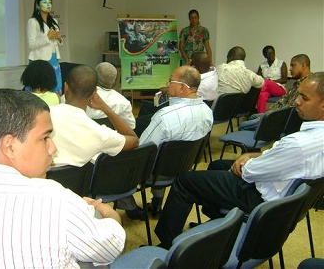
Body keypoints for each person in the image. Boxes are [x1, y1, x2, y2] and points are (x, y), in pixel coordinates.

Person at [0, 89, 126, 268]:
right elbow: (109, 249)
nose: (53, 148)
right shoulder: (54, 200)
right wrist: (108, 214)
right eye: (45, 138)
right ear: (10, 146)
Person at [154, 72, 324, 250]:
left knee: (184, 181)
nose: (296, 101)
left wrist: (246, 161)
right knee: (217, 166)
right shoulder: (313, 138)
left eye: (304, 97)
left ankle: (167, 243)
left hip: (259, 199)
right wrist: (253, 155)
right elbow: (283, 158)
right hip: (282, 195)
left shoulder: (298, 144)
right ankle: (219, 229)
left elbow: (250, 172)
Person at [118, 66, 214, 219]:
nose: (167, 83)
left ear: (183, 88)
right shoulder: (207, 111)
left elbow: (141, 153)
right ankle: (157, 203)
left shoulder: (164, 115)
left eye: (171, 80)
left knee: (113, 162)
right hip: (184, 168)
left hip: (155, 173)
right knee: (164, 152)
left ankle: (132, 209)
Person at [50, 65, 139, 167]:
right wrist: (106, 109)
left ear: (66, 87)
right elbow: (134, 139)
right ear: (94, 93)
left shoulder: (45, 114)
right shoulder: (99, 132)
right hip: (79, 182)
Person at [240, 54, 311, 131]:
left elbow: (290, 109)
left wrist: (269, 115)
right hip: (279, 113)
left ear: (303, 66)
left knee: (243, 125)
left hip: (282, 119)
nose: (290, 69)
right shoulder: (297, 82)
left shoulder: (307, 85)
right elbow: (283, 101)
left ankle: (256, 138)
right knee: (253, 117)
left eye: (293, 65)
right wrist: (268, 112)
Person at [26, 0, 63, 94]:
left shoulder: (54, 21)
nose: (48, 5)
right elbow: (31, 44)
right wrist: (47, 37)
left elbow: (56, 42)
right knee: (39, 87)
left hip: (54, 58)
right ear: (37, 6)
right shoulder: (33, 22)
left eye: (50, 3)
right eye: (45, 2)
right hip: (39, 59)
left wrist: (59, 39)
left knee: (56, 86)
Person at [86, 62, 135, 129]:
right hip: (110, 138)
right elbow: (130, 127)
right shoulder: (123, 103)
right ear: (114, 82)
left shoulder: (76, 96)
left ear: (93, 77)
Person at [256, 45, 288, 113]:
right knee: (262, 95)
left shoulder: (281, 63)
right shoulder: (262, 65)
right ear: (264, 55)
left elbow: (284, 79)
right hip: (267, 89)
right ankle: (260, 117)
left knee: (266, 82)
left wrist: (271, 82)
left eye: (271, 53)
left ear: (274, 53)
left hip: (279, 89)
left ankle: (254, 95)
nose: (270, 55)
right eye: (267, 53)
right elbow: (259, 79)